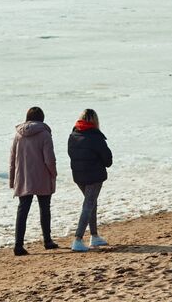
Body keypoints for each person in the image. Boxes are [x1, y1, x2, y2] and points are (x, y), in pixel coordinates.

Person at [9, 106, 58, 255]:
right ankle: (47, 241)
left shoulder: (18, 135)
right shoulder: (45, 134)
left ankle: (18, 245)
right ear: (42, 118)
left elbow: (12, 159)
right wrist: (53, 173)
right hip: (42, 176)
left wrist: (12, 179)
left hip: (23, 177)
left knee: (22, 210)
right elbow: (49, 159)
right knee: (45, 209)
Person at [67, 108, 113, 252]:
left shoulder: (73, 135)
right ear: (95, 121)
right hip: (94, 176)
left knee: (91, 203)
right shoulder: (96, 137)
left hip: (79, 176)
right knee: (88, 205)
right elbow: (108, 160)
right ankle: (78, 239)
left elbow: (71, 154)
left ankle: (94, 236)